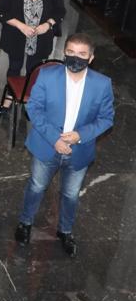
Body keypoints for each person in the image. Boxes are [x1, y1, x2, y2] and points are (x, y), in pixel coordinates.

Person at [13, 33, 114, 258]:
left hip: (79, 150)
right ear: (64, 52)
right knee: (37, 186)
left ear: (91, 57)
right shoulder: (48, 76)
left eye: (81, 54)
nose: (75, 58)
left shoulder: (102, 84)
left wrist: (79, 135)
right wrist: (55, 139)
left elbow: (107, 118)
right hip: (47, 145)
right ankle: (25, 222)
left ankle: (65, 231)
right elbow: (34, 108)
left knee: (70, 194)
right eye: (70, 53)